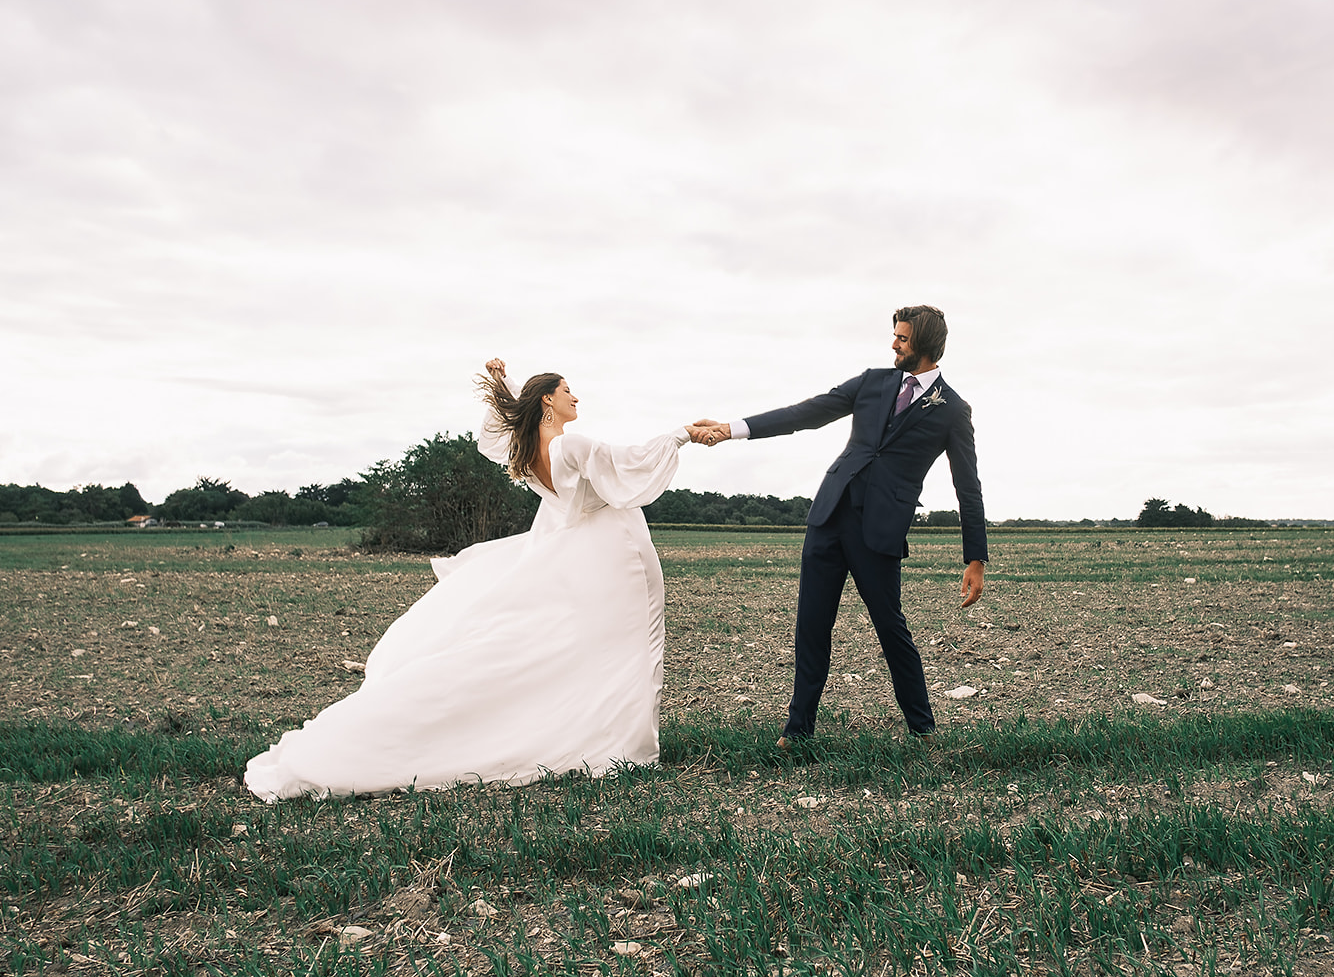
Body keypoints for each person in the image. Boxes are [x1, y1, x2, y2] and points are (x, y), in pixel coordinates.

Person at [244, 361, 713, 801]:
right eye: (567, 390)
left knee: (595, 650)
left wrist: (502, 387)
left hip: (584, 556)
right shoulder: (569, 446)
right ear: (548, 401)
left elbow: (502, 434)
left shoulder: (529, 452)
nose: (576, 397)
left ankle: (617, 741)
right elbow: (629, 463)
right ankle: (622, 745)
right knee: (624, 647)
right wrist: (682, 434)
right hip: (613, 557)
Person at [695, 305, 986, 746]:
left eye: (902, 338)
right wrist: (731, 428)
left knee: (891, 628)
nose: (893, 343)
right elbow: (805, 413)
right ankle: (798, 731)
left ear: (923, 345)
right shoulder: (872, 381)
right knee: (811, 625)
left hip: (880, 532)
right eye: (894, 336)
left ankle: (922, 730)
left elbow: (968, 487)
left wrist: (975, 557)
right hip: (828, 516)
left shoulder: (952, 410)